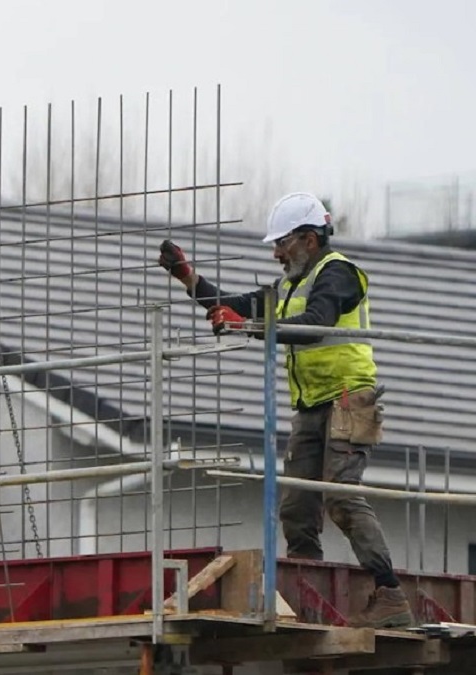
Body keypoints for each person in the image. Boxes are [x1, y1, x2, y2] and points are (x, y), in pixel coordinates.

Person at [157, 192, 412, 629]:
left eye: (282, 243)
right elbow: (238, 307)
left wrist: (252, 326)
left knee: (342, 498)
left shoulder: (339, 275)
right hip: (313, 404)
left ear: (309, 240)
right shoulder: (293, 283)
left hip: (350, 397)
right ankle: (303, 587)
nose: (276, 253)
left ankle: (390, 595)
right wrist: (188, 278)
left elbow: (314, 326)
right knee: (296, 505)